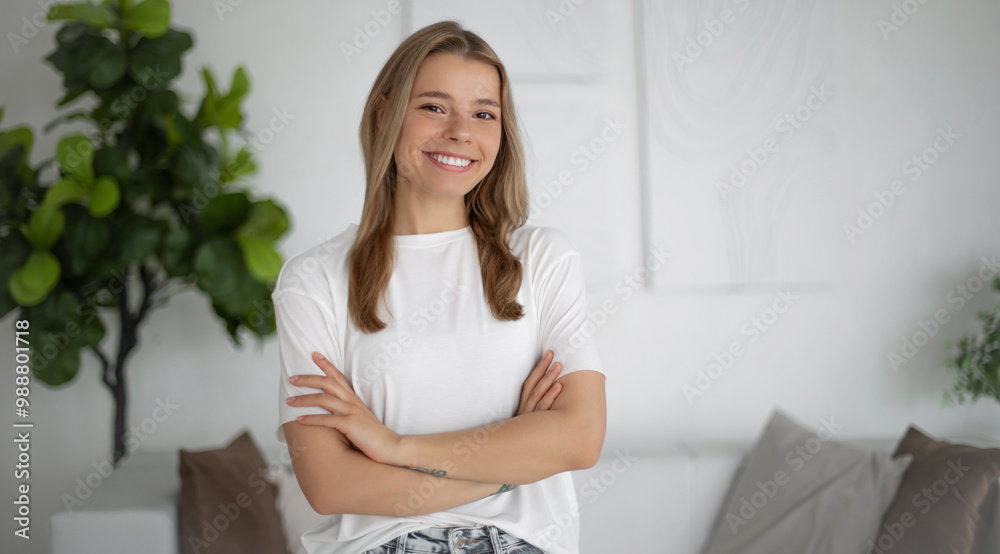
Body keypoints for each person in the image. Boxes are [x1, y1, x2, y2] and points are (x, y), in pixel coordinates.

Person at [273, 20, 607, 554]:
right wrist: (511, 463)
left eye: (483, 113)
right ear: (386, 115)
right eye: (434, 106)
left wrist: (388, 444)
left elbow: (579, 439)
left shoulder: (543, 259)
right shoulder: (313, 281)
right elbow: (331, 484)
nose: (460, 131)